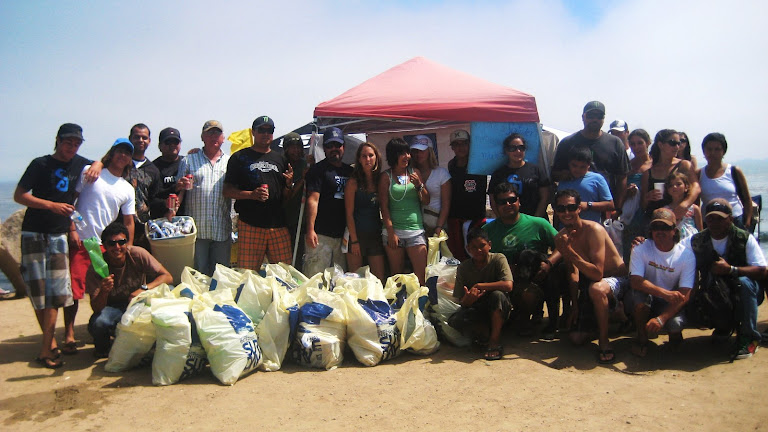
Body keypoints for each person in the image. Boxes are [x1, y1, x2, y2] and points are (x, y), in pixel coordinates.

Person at [14, 123, 98, 368]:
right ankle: (48, 344)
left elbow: (100, 162)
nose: (72, 147)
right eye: (68, 142)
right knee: (39, 291)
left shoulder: (78, 162)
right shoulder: (40, 164)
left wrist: (96, 165)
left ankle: (47, 345)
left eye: (76, 143)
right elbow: (20, 196)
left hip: (59, 234)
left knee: (57, 292)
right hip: (34, 232)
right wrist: (51, 205)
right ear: (58, 141)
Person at [68, 138, 137, 352]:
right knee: (74, 290)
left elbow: (128, 221)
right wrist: (71, 229)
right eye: (119, 151)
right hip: (83, 240)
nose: (122, 155)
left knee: (104, 288)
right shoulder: (91, 172)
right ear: (111, 152)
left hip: (106, 246)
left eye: (127, 153)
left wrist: (128, 247)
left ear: (129, 160)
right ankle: (69, 335)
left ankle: (101, 330)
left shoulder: (126, 188)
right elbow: (71, 200)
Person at [553, 190, 628, 363]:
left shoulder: (594, 230)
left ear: (579, 208)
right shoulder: (560, 237)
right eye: (561, 208)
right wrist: (575, 304)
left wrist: (569, 251)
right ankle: (612, 316)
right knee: (576, 339)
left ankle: (604, 340)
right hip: (591, 280)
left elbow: (597, 273)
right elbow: (573, 272)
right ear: (556, 211)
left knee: (596, 288)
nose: (566, 213)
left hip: (616, 280)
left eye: (571, 207)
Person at [689, 199, 767, 360]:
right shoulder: (697, 240)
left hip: (745, 290)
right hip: (715, 290)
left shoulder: (744, 237)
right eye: (711, 218)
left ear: (730, 219)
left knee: (744, 283)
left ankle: (749, 337)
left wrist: (732, 270)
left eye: (720, 218)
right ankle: (724, 327)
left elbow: (762, 270)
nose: (715, 223)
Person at [482, 183, 562, 336]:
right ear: (495, 205)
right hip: (504, 281)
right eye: (502, 202)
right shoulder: (487, 231)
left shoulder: (538, 223)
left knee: (538, 288)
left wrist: (548, 263)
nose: (508, 204)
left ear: (519, 201)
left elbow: (562, 246)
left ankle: (529, 319)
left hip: (535, 279)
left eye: (512, 200)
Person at [86, 222, 172, 358]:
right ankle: (104, 349)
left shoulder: (137, 254)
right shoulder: (97, 267)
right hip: (113, 308)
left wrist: (144, 288)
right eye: (112, 243)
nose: (117, 247)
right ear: (104, 246)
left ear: (127, 243)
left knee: (169, 294)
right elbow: (96, 308)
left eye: (121, 242)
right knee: (99, 323)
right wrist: (104, 291)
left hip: (137, 303)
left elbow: (167, 277)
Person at [223, 116, 294, 270]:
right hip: (250, 224)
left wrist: (288, 185)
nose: (265, 134)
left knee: (285, 274)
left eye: (269, 130)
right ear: (253, 132)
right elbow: (227, 191)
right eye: (261, 130)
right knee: (247, 274)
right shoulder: (239, 157)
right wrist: (251, 195)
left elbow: (286, 197)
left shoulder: (280, 159)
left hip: (278, 225)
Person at [628, 208, 696, 357]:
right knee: (639, 302)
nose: (660, 232)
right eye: (656, 227)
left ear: (674, 230)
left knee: (675, 325)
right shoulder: (640, 248)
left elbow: (685, 293)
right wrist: (664, 293)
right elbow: (635, 281)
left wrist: (661, 319)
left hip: (670, 301)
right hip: (651, 296)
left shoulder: (686, 255)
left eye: (665, 227)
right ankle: (642, 338)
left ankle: (674, 338)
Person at [176, 120, 232, 276]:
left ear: (223, 138)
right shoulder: (188, 160)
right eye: (210, 133)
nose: (214, 136)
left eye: (217, 133)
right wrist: (180, 185)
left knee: (221, 277)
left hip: (222, 230)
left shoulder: (230, 162)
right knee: (197, 277)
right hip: (196, 232)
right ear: (202, 137)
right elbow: (178, 190)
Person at [450, 228, 514, 361]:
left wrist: (480, 286)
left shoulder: (498, 259)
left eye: (482, 246)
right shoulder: (464, 267)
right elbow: (461, 300)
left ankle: (494, 341)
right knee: (455, 320)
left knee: (498, 296)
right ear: (468, 248)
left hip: (498, 306)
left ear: (489, 245)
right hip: (477, 307)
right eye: (473, 247)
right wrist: (468, 299)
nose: (478, 250)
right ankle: (484, 333)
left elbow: (508, 285)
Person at [551, 101, 629, 209]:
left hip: (604, 208)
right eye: (591, 115)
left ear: (603, 119)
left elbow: (622, 177)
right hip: (570, 209)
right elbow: (554, 173)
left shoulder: (615, 143)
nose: (595, 119)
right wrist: (567, 175)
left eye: (599, 116)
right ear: (583, 117)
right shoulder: (567, 143)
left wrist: (617, 208)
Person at [379, 138, 429, 285]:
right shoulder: (385, 177)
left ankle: (421, 304)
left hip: (415, 231)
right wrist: (391, 233)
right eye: (402, 153)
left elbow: (426, 200)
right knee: (398, 278)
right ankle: (400, 306)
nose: (407, 156)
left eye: (408, 153)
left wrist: (419, 185)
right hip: (394, 233)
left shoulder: (415, 173)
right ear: (393, 155)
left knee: (422, 277)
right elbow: (383, 207)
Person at [303, 127, 353, 276]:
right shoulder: (318, 170)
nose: (334, 149)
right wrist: (310, 230)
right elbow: (313, 200)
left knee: (338, 281)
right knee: (315, 279)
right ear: (324, 148)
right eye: (330, 146)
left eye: (337, 145)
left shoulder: (350, 172)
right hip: (321, 235)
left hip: (342, 236)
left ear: (343, 147)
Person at [344, 143, 386, 281]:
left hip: (375, 236)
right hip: (356, 237)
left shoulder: (380, 180)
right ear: (359, 159)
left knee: (378, 280)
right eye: (364, 156)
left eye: (371, 155)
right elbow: (349, 214)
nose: (368, 159)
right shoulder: (353, 182)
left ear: (376, 158)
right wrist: (355, 241)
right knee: (355, 281)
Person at [641, 129, 700, 224]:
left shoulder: (683, 165)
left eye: (679, 143)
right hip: (655, 220)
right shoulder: (648, 172)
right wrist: (647, 197)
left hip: (679, 218)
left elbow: (696, 187)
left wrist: (685, 204)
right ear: (660, 145)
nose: (677, 147)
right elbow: (643, 205)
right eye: (672, 143)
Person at [697, 132, 753, 232]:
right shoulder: (699, 174)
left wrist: (747, 222)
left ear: (723, 151)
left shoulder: (734, 171)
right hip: (709, 222)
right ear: (704, 151)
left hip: (734, 220)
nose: (712, 153)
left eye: (717, 149)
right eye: (709, 149)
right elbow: (696, 202)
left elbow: (747, 199)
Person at [446, 129, 487, 261]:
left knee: (477, 254)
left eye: (464, 143)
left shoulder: (479, 165)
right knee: (459, 256)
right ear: (452, 147)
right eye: (456, 144)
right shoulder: (451, 165)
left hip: (475, 219)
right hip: (456, 219)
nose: (461, 147)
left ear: (470, 144)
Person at [489, 133, 550, 218]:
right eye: (512, 148)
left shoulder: (537, 170)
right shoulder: (498, 174)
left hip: (535, 220)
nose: (518, 151)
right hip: (509, 223)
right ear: (506, 150)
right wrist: (502, 221)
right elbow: (493, 199)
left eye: (521, 148)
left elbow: (544, 198)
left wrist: (535, 220)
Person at [555, 147, 613, 225]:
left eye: (582, 167)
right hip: (566, 230)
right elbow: (557, 209)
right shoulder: (564, 180)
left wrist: (588, 205)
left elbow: (610, 205)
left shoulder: (597, 179)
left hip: (590, 230)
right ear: (569, 163)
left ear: (589, 165)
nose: (578, 170)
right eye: (574, 166)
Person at [126, 123, 161, 250]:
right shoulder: (120, 162)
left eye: (144, 138)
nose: (141, 140)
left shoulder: (153, 170)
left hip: (142, 228)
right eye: (137, 137)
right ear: (130, 139)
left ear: (149, 141)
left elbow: (155, 199)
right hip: (119, 224)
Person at [621, 129, 654, 261]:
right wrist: (627, 192)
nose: (636, 147)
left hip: (649, 212)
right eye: (633, 144)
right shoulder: (628, 166)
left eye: (640, 143)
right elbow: (619, 192)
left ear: (648, 143)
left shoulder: (655, 165)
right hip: (631, 215)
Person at [409, 134, 451, 236]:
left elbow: (446, 204)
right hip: (416, 225)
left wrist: (439, 226)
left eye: (422, 150)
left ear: (430, 151)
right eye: (415, 151)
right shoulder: (408, 172)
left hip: (436, 223)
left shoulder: (442, 173)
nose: (418, 154)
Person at [282, 132, 308, 253]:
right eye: (292, 147)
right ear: (286, 149)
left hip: (304, 220)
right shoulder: (281, 165)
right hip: (286, 220)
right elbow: (287, 197)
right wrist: (302, 179)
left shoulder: (305, 164)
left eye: (298, 147)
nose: (296, 151)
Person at [151, 127, 185, 219]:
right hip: (161, 220)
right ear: (160, 146)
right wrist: (175, 188)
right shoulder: (153, 168)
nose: (172, 145)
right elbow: (151, 198)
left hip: (186, 220)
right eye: (168, 142)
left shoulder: (187, 162)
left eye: (176, 142)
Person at [664, 172, 702, 239]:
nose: (674, 187)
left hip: (692, 241)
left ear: (686, 187)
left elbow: (701, 231)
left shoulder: (694, 209)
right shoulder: (665, 210)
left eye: (678, 184)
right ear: (667, 190)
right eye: (670, 185)